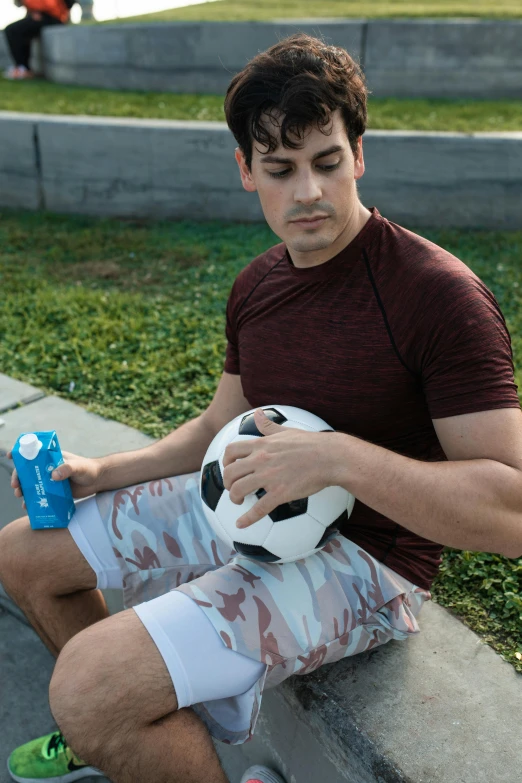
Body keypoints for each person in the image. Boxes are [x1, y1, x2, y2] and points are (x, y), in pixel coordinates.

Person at [1, 32, 522, 783]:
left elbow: (509, 512)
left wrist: (337, 458)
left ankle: (110, 715)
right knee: (24, 554)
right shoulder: (257, 284)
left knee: (86, 685)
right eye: (280, 168)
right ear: (247, 171)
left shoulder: (438, 295)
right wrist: (102, 468)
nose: (307, 191)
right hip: (249, 501)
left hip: (369, 564)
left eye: (327, 161)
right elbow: (220, 424)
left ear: (360, 155)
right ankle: (128, 730)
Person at [3, 0, 75, 81]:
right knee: (19, 31)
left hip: (51, 16)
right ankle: (23, 67)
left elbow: (48, 4)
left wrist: (37, 10)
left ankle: (23, 68)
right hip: (44, 14)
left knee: (12, 30)